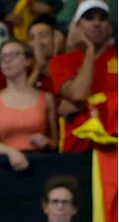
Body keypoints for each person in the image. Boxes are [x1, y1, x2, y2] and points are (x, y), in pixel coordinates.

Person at [50, 0, 116, 153]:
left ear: (110, 27)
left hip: (115, 148)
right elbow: (79, 94)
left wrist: (85, 106)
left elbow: (78, 99)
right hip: (76, 147)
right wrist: (89, 50)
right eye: (89, 18)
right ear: (76, 27)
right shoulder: (61, 62)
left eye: (102, 18)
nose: (97, 23)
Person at [0, 38, 57, 164]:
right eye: (3, 57)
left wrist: (46, 142)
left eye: (13, 55)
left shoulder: (46, 98)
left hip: (40, 162)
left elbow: (56, 142)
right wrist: (11, 152)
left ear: (27, 60)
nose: (7, 60)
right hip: (5, 163)